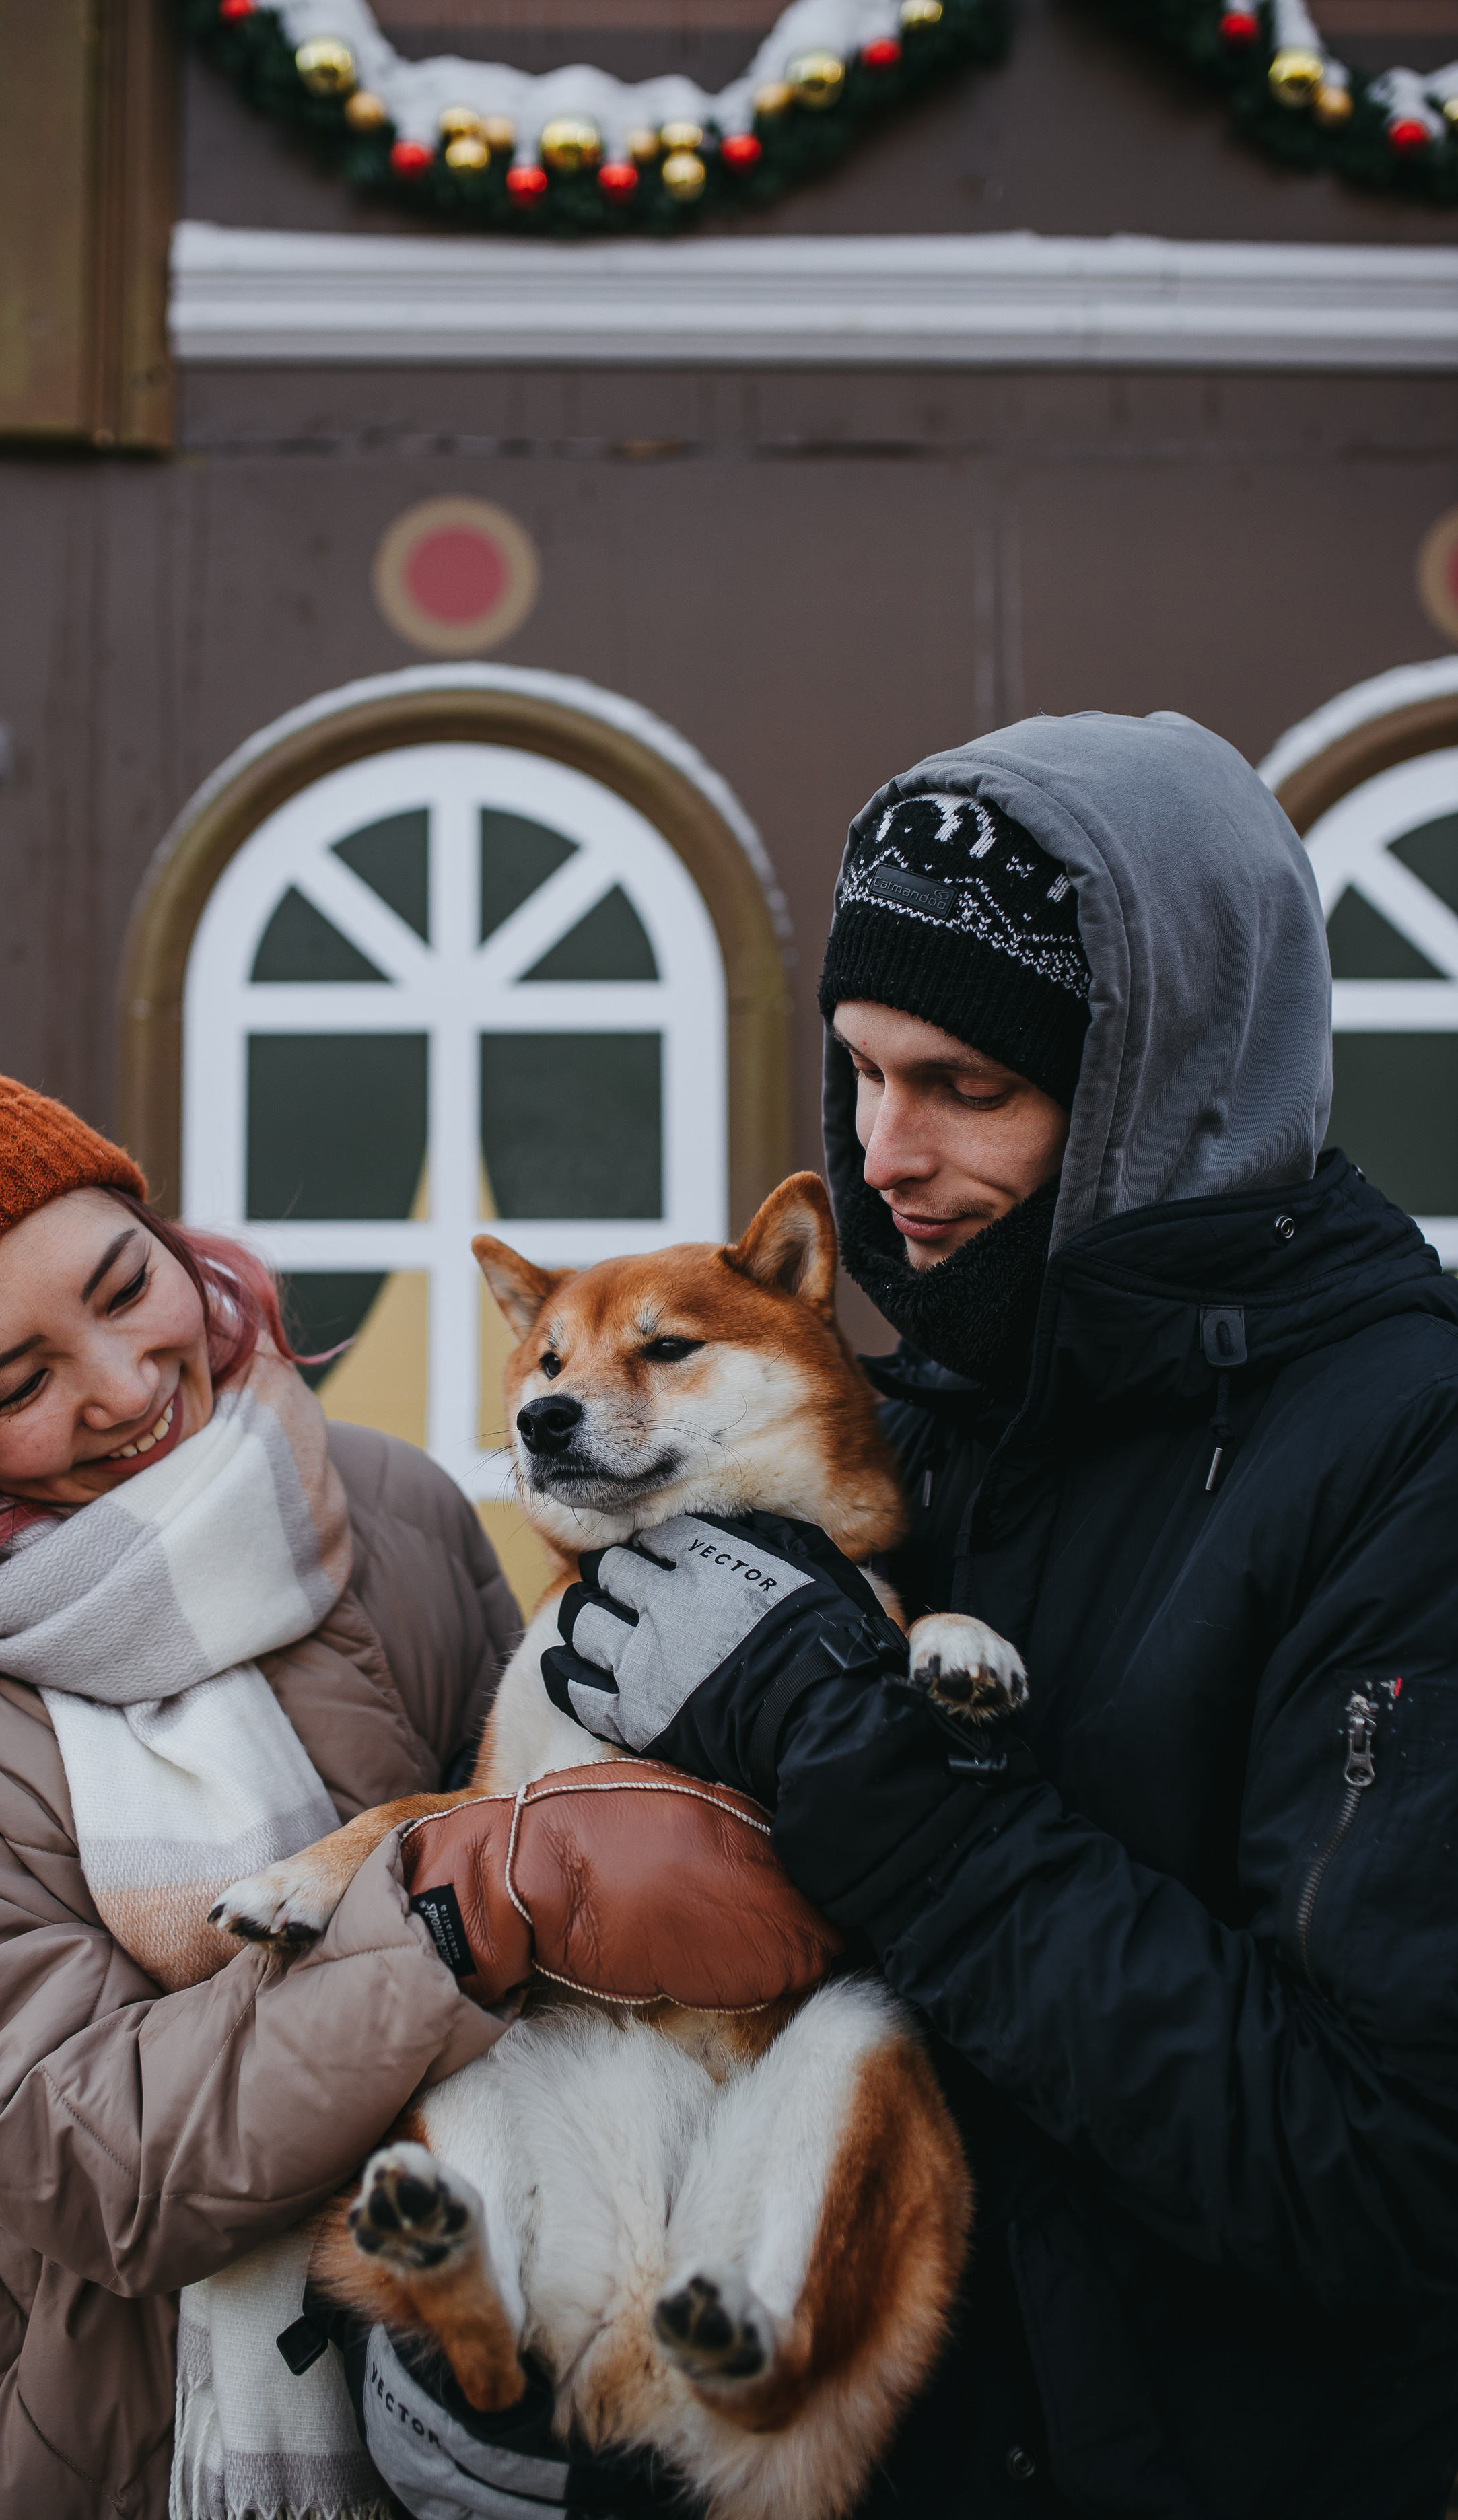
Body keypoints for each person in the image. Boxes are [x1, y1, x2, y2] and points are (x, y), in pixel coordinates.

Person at [547, 710, 1458, 2519]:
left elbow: (1378, 2171)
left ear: (1166, 1083)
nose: (886, 1150)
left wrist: (857, 1757)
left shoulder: (1398, 1445)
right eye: (864, 1070)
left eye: (969, 1087)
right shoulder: (926, 1414)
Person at [0, 1020, 792, 2520]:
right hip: (58, 2429)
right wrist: (469, 1907)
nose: (122, 1385)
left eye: (124, 1287)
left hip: (457, 2369)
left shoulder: (387, 1504)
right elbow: (80, 2151)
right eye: (20, 1379)